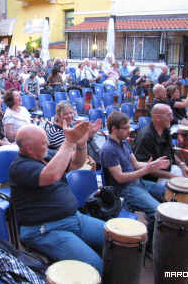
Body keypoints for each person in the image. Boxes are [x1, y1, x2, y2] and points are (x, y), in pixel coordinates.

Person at [9, 122, 104, 273]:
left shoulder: (45, 154)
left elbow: (76, 164)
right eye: (43, 142)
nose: (47, 143)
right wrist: (68, 141)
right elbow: (51, 175)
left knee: (113, 240)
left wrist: (80, 144)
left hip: (74, 218)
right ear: (29, 149)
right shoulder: (19, 167)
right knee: (94, 266)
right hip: (44, 230)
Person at [100, 111, 170, 253]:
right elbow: (120, 177)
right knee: (157, 212)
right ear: (114, 129)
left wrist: (153, 164)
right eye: (125, 128)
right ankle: (150, 246)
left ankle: (157, 235)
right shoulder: (108, 149)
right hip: (124, 190)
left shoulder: (124, 143)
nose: (129, 130)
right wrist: (147, 170)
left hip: (137, 183)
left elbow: (136, 164)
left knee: (168, 193)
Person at [134, 103, 188, 187]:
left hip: (169, 170)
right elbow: (145, 169)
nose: (172, 118)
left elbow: (171, 153)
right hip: (154, 178)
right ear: (157, 117)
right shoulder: (145, 137)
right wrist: (173, 177)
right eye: (168, 115)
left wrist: (183, 166)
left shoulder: (165, 130)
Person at [46, 101, 102, 168]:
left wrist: (90, 134)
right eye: (65, 114)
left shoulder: (69, 126)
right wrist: (85, 138)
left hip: (79, 159)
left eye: (71, 113)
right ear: (58, 116)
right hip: (68, 165)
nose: (70, 116)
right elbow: (71, 155)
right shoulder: (56, 132)